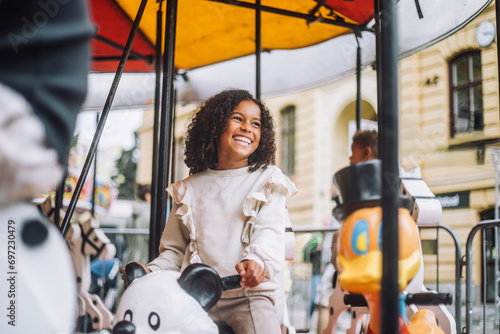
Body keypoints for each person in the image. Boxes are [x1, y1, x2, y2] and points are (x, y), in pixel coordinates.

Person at [121, 89, 297, 334]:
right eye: (238, 118)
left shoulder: (267, 179)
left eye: (255, 123)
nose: (247, 127)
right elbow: (174, 251)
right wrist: (151, 272)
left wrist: (257, 262)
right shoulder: (189, 188)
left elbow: (268, 232)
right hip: (196, 296)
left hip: (248, 297)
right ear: (215, 126)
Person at [315, 129, 379, 333]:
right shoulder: (389, 182)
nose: (350, 158)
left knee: (327, 298)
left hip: (361, 267)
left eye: (353, 152)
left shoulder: (363, 190)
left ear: (367, 153)